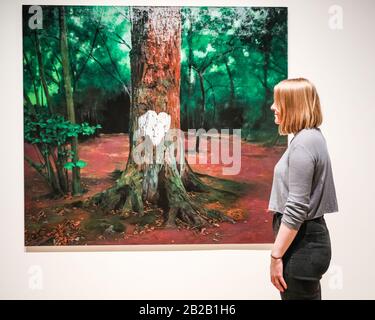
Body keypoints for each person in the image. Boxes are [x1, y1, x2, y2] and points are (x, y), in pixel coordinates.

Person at [268, 78, 339, 300]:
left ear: (294, 105)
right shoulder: (311, 138)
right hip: (308, 241)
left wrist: (275, 256)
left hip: (302, 246)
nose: (272, 107)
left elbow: (297, 207)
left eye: (278, 101)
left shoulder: (303, 143)